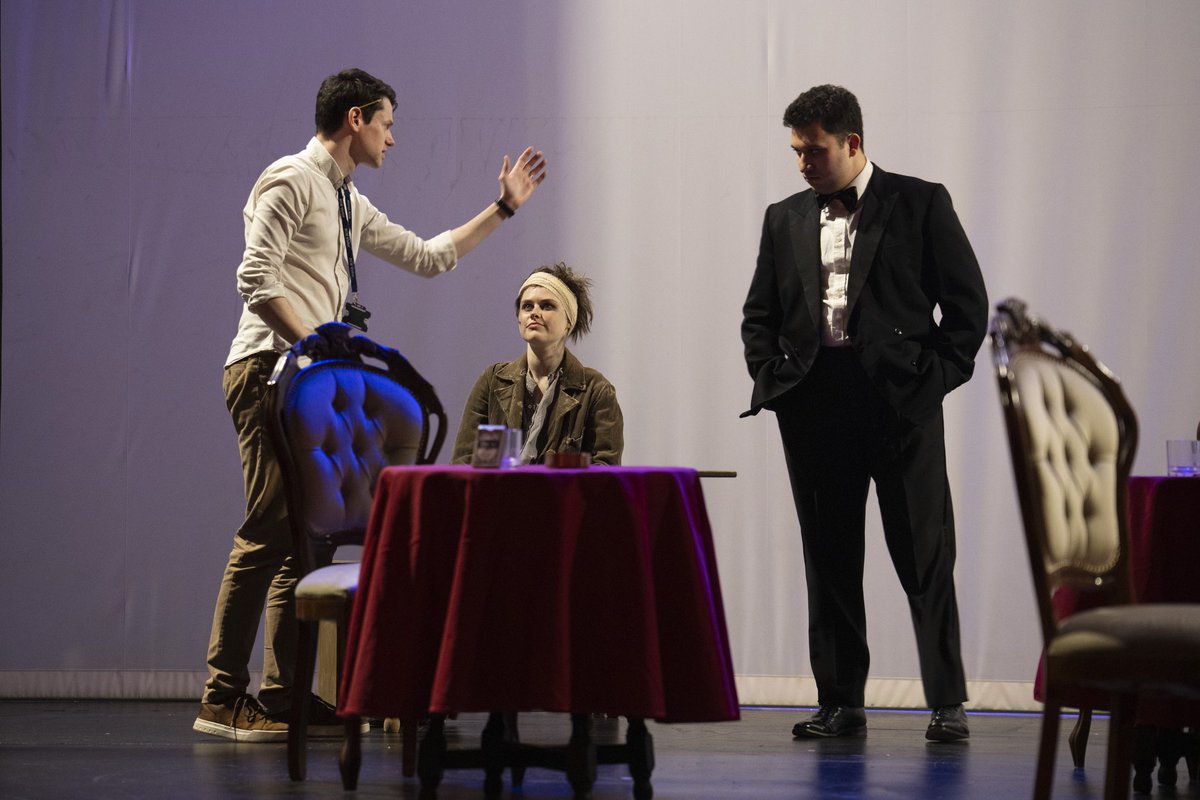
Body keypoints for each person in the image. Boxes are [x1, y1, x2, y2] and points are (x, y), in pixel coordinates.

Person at [195, 68, 547, 742]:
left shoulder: (349, 201)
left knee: (302, 535)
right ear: (355, 119)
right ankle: (220, 696)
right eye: (387, 122)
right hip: (268, 370)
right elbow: (255, 279)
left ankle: (283, 695)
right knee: (269, 527)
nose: (394, 136)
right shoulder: (291, 179)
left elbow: (428, 256)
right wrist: (317, 344)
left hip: (306, 379)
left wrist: (502, 209)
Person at [740, 85, 988, 742]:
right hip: (814, 403)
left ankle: (946, 702)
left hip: (900, 405)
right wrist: (774, 379)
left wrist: (928, 384)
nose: (802, 165)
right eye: (796, 152)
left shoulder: (920, 202)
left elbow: (968, 311)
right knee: (829, 557)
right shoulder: (782, 216)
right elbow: (758, 314)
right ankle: (841, 702)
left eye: (813, 151)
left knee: (924, 553)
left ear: (851, 143)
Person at [451, 263, 623, 466]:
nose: (534, 312)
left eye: (547, 306)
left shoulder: (596, 390)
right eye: (527, 306)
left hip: (563, 497)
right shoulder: (493, 381)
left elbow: (605, 473)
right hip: (498, 496)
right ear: (519, 321)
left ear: (569, 321)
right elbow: (464, 463)